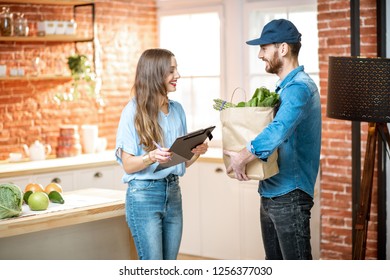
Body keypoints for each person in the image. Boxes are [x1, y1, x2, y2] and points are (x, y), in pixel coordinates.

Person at [224, 19, 321, 260]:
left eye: (264, 48)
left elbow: (278, 130)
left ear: (283, 49)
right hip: (270, 191)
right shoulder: (282, 88)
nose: (259, 55)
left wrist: (242, 156)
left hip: (290, 194)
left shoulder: (299, 88)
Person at [115, 48, 208, 260]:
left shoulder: (177, 110)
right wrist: (151, 157)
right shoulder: (132, 112)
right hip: (143, 196)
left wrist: (196, 153)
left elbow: (177, 162)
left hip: (173, 192)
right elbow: (128, 165)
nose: (178, 76)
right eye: (171, 71)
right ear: (155, 74)